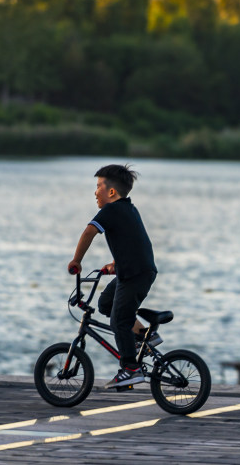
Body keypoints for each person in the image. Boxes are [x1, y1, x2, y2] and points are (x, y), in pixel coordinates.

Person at [68, 164, 158, 387]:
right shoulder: (129, 209)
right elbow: (134, 243)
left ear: (111, 192)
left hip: (134, 275)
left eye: (99, 186)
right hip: (134, 271)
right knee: (106, 304)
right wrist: (115, 264)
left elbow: (89, 231)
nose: (95, 191)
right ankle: (144, 337)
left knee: (119, 320)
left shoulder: (111, 210)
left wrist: (76, 261)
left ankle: (131, 368)